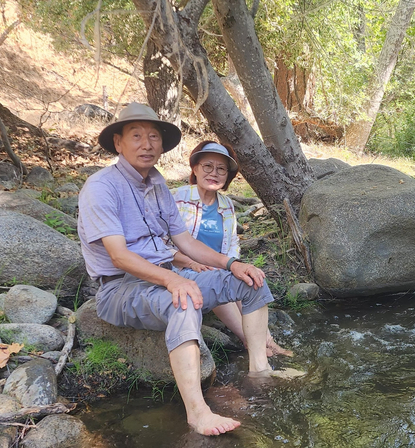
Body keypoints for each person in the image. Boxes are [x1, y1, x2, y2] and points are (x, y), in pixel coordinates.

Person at [77, 103, 276, 436]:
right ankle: (197, 413)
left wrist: (233, 263)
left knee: (251, 282)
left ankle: (260, 370)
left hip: (165, 275)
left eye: (154, 136)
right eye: (137, 136)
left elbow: (184, 240)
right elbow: (119, 257)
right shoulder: (101, 187)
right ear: (118, 143)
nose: (147, 144)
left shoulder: (157, 184)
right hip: (120, 288)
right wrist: (173, 279)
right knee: (184, 301)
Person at [169, 141, 292, 356]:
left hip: (218, 266)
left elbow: (232, 242)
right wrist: (190, 262)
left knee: (247, 278)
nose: (213, 173)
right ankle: (251, 342)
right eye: (207, 166)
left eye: (221, 169)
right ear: (195, 168)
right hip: (181, 271)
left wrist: (233, 264)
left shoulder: (227, 205)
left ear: (228, 176)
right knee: (219, 277)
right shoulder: (176, 198)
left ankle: (268, 341)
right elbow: (160, 246)